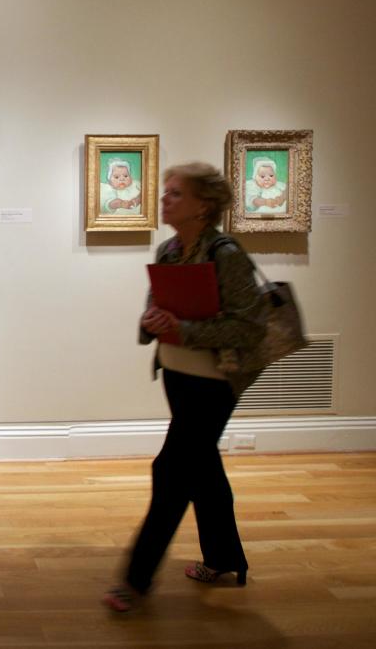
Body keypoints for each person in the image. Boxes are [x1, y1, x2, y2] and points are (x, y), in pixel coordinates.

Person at [103, 162, 266, 613]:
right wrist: (150, 322)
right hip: (176, 375)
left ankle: (135, 581)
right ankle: (224, 559)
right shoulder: (170, 249)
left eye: (175, 193)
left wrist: (186, 330)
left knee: (171, 473)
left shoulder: (227, 254)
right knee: (204, 470)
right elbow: (157, 303)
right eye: (166, 192)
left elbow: (249, 327)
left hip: (214, 383)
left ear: (203, 205)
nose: (164, 198)